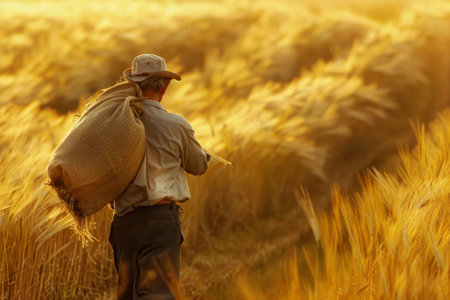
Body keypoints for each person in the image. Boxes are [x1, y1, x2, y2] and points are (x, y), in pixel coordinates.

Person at [108, 54, 210, 299]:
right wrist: (204, 155)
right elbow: (197, 166)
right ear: (164, 88)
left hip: (123, 223)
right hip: (160, 221)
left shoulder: (115, 124)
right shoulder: (176, 125)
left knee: (127, 295)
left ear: (135, 84)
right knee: (159, 294)